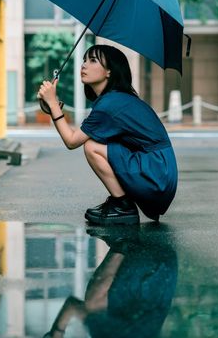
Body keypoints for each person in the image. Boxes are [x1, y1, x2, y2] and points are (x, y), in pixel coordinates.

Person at [37, 44, 178, 225]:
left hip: (157, 172)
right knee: (97, 142)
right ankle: (120, 203)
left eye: (93, 60)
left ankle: (122, 206)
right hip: (161, 172)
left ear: (109, 72)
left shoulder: (110, 104)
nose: (84, 65)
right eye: (84, 60)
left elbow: (72, 141)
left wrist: (53, 104)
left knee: (91, 147)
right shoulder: (115, 99)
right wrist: (52, 103)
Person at [41, 224, 178, 338]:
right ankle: (122, 243)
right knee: (93, 304)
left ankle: (123, 245)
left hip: (167, 261)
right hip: (144, 262)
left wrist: (58, 332)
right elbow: (72, 306)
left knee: (100, 308)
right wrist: (57, 333)